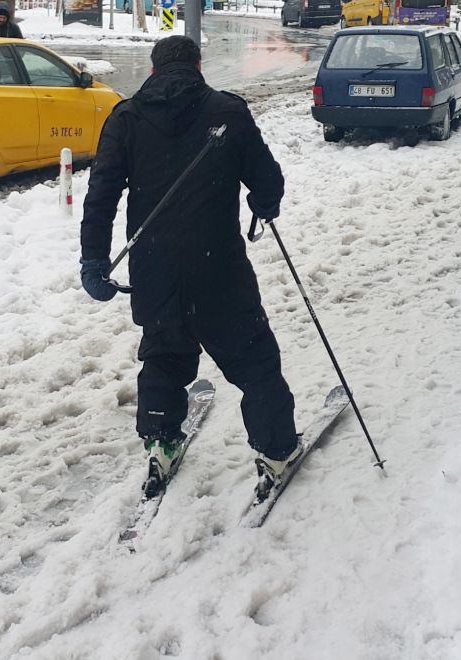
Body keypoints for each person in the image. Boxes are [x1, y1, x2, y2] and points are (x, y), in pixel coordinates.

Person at [79, 35, 301, 500]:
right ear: (198, 66)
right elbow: (267, 179)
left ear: (154, 70)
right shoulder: (226, 111)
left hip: (154, 268)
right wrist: (264, 203)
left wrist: (94, 260)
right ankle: (277, 449)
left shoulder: (126, 118)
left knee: (164, 354)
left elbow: (100, 196)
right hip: (217, 267)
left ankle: (161, 441)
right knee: (254, 360)